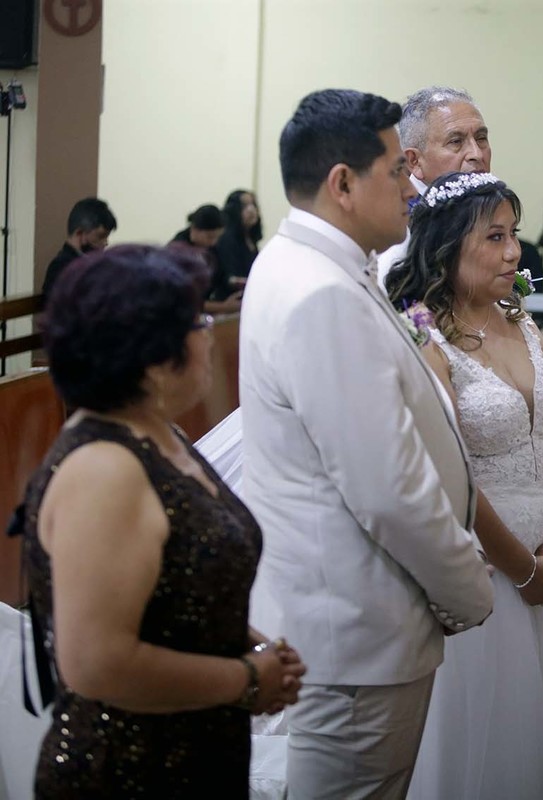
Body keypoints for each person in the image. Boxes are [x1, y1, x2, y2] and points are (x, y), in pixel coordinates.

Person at [238, 90, 494, 798]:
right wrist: (469, 590)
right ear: (343, 184)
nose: (412, 188)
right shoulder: (322, 293)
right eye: (395, 171)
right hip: (359, 637)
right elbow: (388, 490)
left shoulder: (310, 265)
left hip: (353, 627)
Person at [21, 244, 305, 797]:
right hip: (130, 768)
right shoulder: (102, 469)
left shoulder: (158, 433)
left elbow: (175, 590)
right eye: (197, 323)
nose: (210, 336)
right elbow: (96, 663)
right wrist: (246, 679)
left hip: (197, 748)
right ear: (151, 354)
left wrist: (252, 646)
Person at [388, 172, 543, 799]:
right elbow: (448, 470)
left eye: (515, 234)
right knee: (483, 738)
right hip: (482, 564)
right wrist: (523, 570)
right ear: (447, 245)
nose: (514, 252)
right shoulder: (422, 331)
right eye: (494, 237)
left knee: (541, 729)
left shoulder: (525, 325)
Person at [376, 86, 492, 291]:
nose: (477, 154)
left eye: (481, 138)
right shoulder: (398, 233)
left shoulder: (485, 211)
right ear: (414, 161)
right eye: (456, 141)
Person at [169, 204, 242, 314]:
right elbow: (182, 301)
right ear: (194, 229)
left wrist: (234, 282)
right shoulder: (177, 252)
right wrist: (224, 307)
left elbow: (220, 276)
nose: (214, 242)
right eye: (210, 237)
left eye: (218, 237)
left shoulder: (211, 248)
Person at [40, 197, 117, 298]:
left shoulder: (89, 263)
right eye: (101, 236)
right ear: (79, 233)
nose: (106, 243)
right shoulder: (61, 268)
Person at [213, 189, 262, 297]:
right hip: (230, 299)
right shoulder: (226, 239)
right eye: (244, 206)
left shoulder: (251, 239)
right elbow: (229, 278)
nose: (251, 210)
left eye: (253, 205)